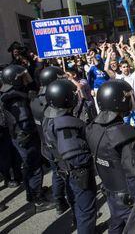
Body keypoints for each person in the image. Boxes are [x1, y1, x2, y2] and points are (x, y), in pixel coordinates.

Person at [86, 79, 135, 234]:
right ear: (118, 101)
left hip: (110, 189)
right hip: (128, 197)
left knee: (116, 225)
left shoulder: (92, 128)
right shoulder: (123, 134)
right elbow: (133, 173)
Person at [42, 79, 97, 233]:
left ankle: (78, 222)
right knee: (86, 208)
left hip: (64, 169)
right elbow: (75, 156)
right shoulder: (65, 126)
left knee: (74, 201)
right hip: (78, 173)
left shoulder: (49, 117)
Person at [0, 64, 54, 212]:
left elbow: (30, 86)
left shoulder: (9, 92)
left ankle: (32, 193)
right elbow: (25, 122)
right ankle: (38, 201)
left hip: (17, 138)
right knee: (34, 168)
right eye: (22, 76)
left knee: (29, 167)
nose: (25, 78)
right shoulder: (16, 99)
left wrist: (26, 76)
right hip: (25, 138)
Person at [30, 66, 69, 214]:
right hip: (57, 146)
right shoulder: (50, 102)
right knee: (69, 178)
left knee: (57, 174)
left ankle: (59, 201)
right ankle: (69, 205)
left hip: (46, 146)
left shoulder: (35, 100)